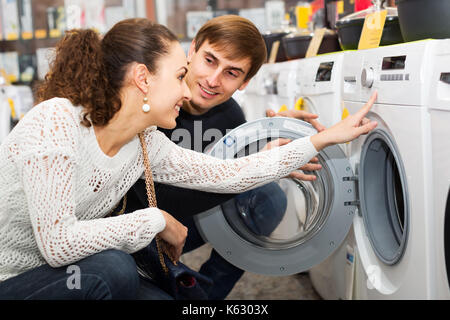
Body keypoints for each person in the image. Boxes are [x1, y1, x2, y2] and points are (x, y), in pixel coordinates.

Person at [0, 18, 377, 300]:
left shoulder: (146, 141)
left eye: (230, 73)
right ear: (143, 79)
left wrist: (322, 139)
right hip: (17, 277)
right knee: (113, 268)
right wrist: (155, 220)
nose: (191, 88)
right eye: (182, 75)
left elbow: (228, 175)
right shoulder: (56, 121)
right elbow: (58, 244)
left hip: (76, 269)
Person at [122, 16, 362, 300]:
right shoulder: (154, 101)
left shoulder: (230, 116)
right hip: (131, 225)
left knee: (268, 198)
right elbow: (145, 194)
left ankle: (204, 295)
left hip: (181, 220)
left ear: (245, 82)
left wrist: (268, 140)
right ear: (192, 51)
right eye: (210, 60)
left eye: (231, 73)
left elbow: (222, 170)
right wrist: (258, 168)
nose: (213, 80)